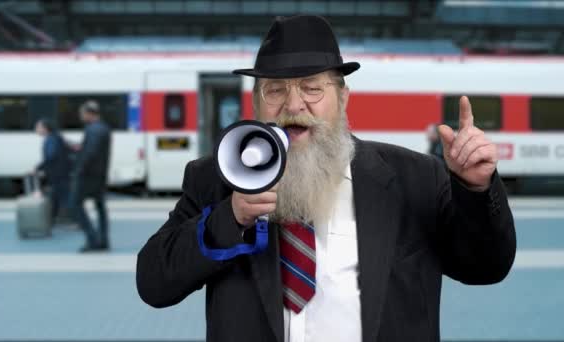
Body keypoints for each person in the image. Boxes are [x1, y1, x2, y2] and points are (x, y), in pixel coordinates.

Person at [136, 15, 516, 342]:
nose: (294, 105)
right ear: (255, 100)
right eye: (275, 90)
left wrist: (475, 188)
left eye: (312, 88)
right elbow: (154, 283)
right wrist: (230, 217)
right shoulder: (213, 178)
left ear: (343, 97)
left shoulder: (415, 177)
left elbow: (485, 268)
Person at [69, 100, 111, 252]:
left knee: (75, 204)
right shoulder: (103, 128)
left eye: (82, 113)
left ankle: (92, 239)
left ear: (89, 113)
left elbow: (90, 153)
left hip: (88, 176)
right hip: (99, 176)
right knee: (100, 208)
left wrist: (79, 169)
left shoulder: (93, 129)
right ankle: (103, 240)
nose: (81, 116)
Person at [34, 118, 72, 225]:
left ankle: (78, 221)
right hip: (60, 174)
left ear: (45, 128)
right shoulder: (55, 137)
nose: (36, 129)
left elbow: (51, 156)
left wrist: (38, 168)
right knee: (56, 197)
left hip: (59, 174)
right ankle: (52, 220)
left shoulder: (51, 139)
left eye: (38, 127)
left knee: (65, 198)